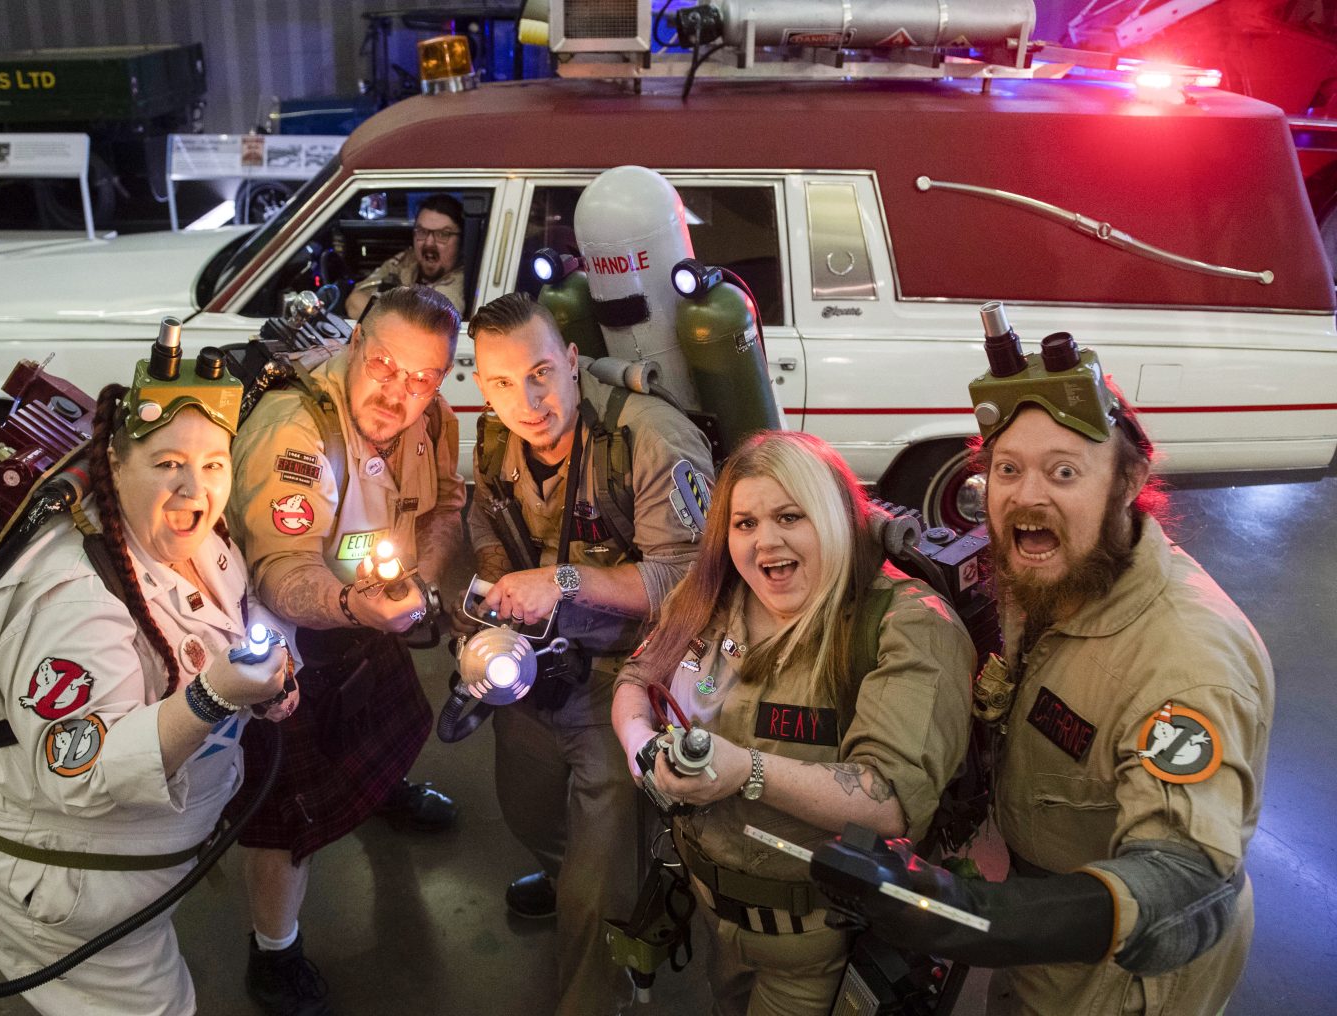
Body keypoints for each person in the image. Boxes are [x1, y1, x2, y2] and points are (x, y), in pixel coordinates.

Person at [846, 344, 1273, 1016]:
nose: (1027, 494)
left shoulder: (1187, 666)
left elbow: (1187, 886)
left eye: (1065, 471)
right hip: (1036, 930)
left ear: (1128, 483)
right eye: (1008, 470)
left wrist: (978, 915)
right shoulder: (1052, 569)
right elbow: (929, 550)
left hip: (1119, 977)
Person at [0, 353, 294, 1016]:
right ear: (113, 468)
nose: (194, 490)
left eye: (211, 464)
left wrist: (273, 678)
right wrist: (217, 695)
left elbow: (235, 614)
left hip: (133, 857)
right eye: (167, 463)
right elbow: (80, 772)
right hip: (52, 873)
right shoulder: (76, 606)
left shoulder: (198, 539)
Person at [611, 431, 976, 1016]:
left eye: (789, 516)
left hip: (817, 941)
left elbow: (888, 802)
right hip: (711, 912)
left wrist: (744, 772)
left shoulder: (906, 626)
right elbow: (636, 679)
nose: (765, 543)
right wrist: (641, 750)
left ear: (834, 517)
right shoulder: (712, 595)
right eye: (745, 523)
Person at [465, 292, 715, 1015]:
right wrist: (498, 588)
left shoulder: (649, 438)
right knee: (525, 811)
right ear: (484, 388)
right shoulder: (492, 441)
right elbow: (486, 515)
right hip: (537, 667)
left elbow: (689, 575)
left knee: (595, 890)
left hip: (625, 674)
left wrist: (563, 580)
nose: (529, 400)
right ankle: (571, 869)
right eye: (504, 383)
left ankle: (596, 986)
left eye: (542, 371)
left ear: (573, 362)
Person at [226, 285, 467, 1016]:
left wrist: (419, 579)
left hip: (371, 616)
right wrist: (350, 604)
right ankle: (275, 952)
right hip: (291, 642)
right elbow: (279, 570)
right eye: (388, 365)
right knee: (285, 815)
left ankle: (377, 792)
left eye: (423, 378)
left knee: (385, 730)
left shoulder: (432, 420)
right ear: (357, 344)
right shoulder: (294, 433)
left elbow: (447, 501)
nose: (400, 393)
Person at [345, 193, 467, 320]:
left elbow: (422, 327)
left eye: (443, 234)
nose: (429, 242)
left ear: (461, 242)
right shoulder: (408, 260)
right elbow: (355, 300)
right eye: (422, 232)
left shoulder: (458, 286)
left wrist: (378, 311)